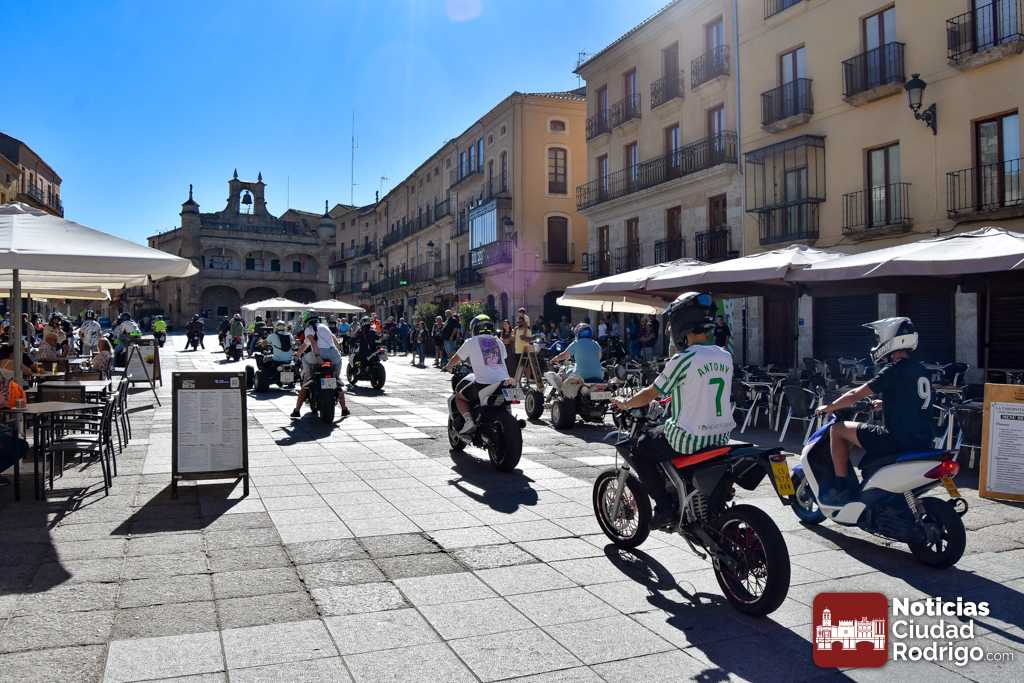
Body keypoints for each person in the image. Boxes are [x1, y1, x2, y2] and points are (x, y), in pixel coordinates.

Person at [610, 292, 735, 527]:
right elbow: (702, 389)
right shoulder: (725, 356)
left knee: (640, 447)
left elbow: (650, 393)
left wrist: (625, 403)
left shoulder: (683, 359)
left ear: (681, 325)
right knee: (659, 435)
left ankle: (664, 506)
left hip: (689, 438)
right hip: (720, 436)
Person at [814, 317, 934, 506]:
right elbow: (916, 399)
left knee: (837, 429)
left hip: (896, 439)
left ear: (890, 339)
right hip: (924, 440)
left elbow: (855, 394)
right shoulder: (921, 370)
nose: (877, 343)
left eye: (879, 339)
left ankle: (841, 486)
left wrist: (828, 407)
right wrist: (885, 403)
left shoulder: (893, 369)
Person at [443, 314, 510, 434]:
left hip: (484, 383)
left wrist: (448, 366)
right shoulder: (498, 342)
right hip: (504, 381)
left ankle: (469, 422)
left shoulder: (471, 342)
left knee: (459, 396)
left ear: (474, 328)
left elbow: (455, 359)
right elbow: (503, 357)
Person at [292, 312, 349, 419]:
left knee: (306, 380)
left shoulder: (308, 329)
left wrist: (298, 355)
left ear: (306, 321)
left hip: (318, 355)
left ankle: (297, 410)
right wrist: (338, 352)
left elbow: (312, 343)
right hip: (334, 355)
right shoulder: (325, 327)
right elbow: (334, 340)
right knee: (336, 380)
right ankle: (344, 409)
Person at [549, 323, 604, 399]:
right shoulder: (596, 344)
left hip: (582, 375)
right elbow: (599, 358)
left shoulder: (576, 343)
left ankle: (564, 398)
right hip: (598, 375)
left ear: (577, 333)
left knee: (564, 374)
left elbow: (564, 355)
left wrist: (554, 359)